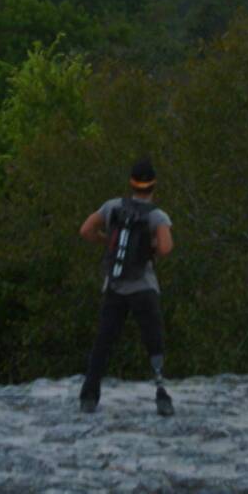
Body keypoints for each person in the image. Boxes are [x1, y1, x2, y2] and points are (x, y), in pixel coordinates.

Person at [77, 157, 175, 415]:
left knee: (104, 341)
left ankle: (89, 396)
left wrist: (106, 240)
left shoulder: (112, 207)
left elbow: (85, 230)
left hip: (114, 284)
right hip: (143, 287)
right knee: (153, 340)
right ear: (153, 186)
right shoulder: (157, 216)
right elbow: (165, 248)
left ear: (131, 184)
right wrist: (150, 247)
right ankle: (161, 393)